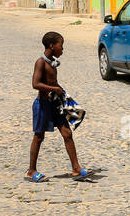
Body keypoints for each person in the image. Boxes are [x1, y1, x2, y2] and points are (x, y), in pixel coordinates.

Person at [27, 31, 90, 182]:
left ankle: (76, 168)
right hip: (43, 105)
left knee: (67, 134)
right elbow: (35, 84)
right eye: (61, 46)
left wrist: (61, 93)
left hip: (56, 104)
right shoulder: (40, 62)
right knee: (39, 136)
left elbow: (52, 82)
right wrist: (54, 89)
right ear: (51, 46)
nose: (62, 49)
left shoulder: (52, 63)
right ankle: (31, 171)